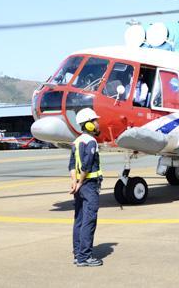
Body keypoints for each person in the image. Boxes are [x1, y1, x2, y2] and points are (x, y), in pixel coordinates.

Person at [69, 108, 104, 267]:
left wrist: (74, 182)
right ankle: (85, 257)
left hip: (80, 186)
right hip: (88, 185)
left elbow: (71, 165)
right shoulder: (91, 141)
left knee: (79, 220)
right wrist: (81, 182)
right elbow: (86, 166)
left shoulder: (76, 141)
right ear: (89, 125)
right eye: (95, 121)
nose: (98, 124)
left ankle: (77, 254)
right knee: (89, 220)